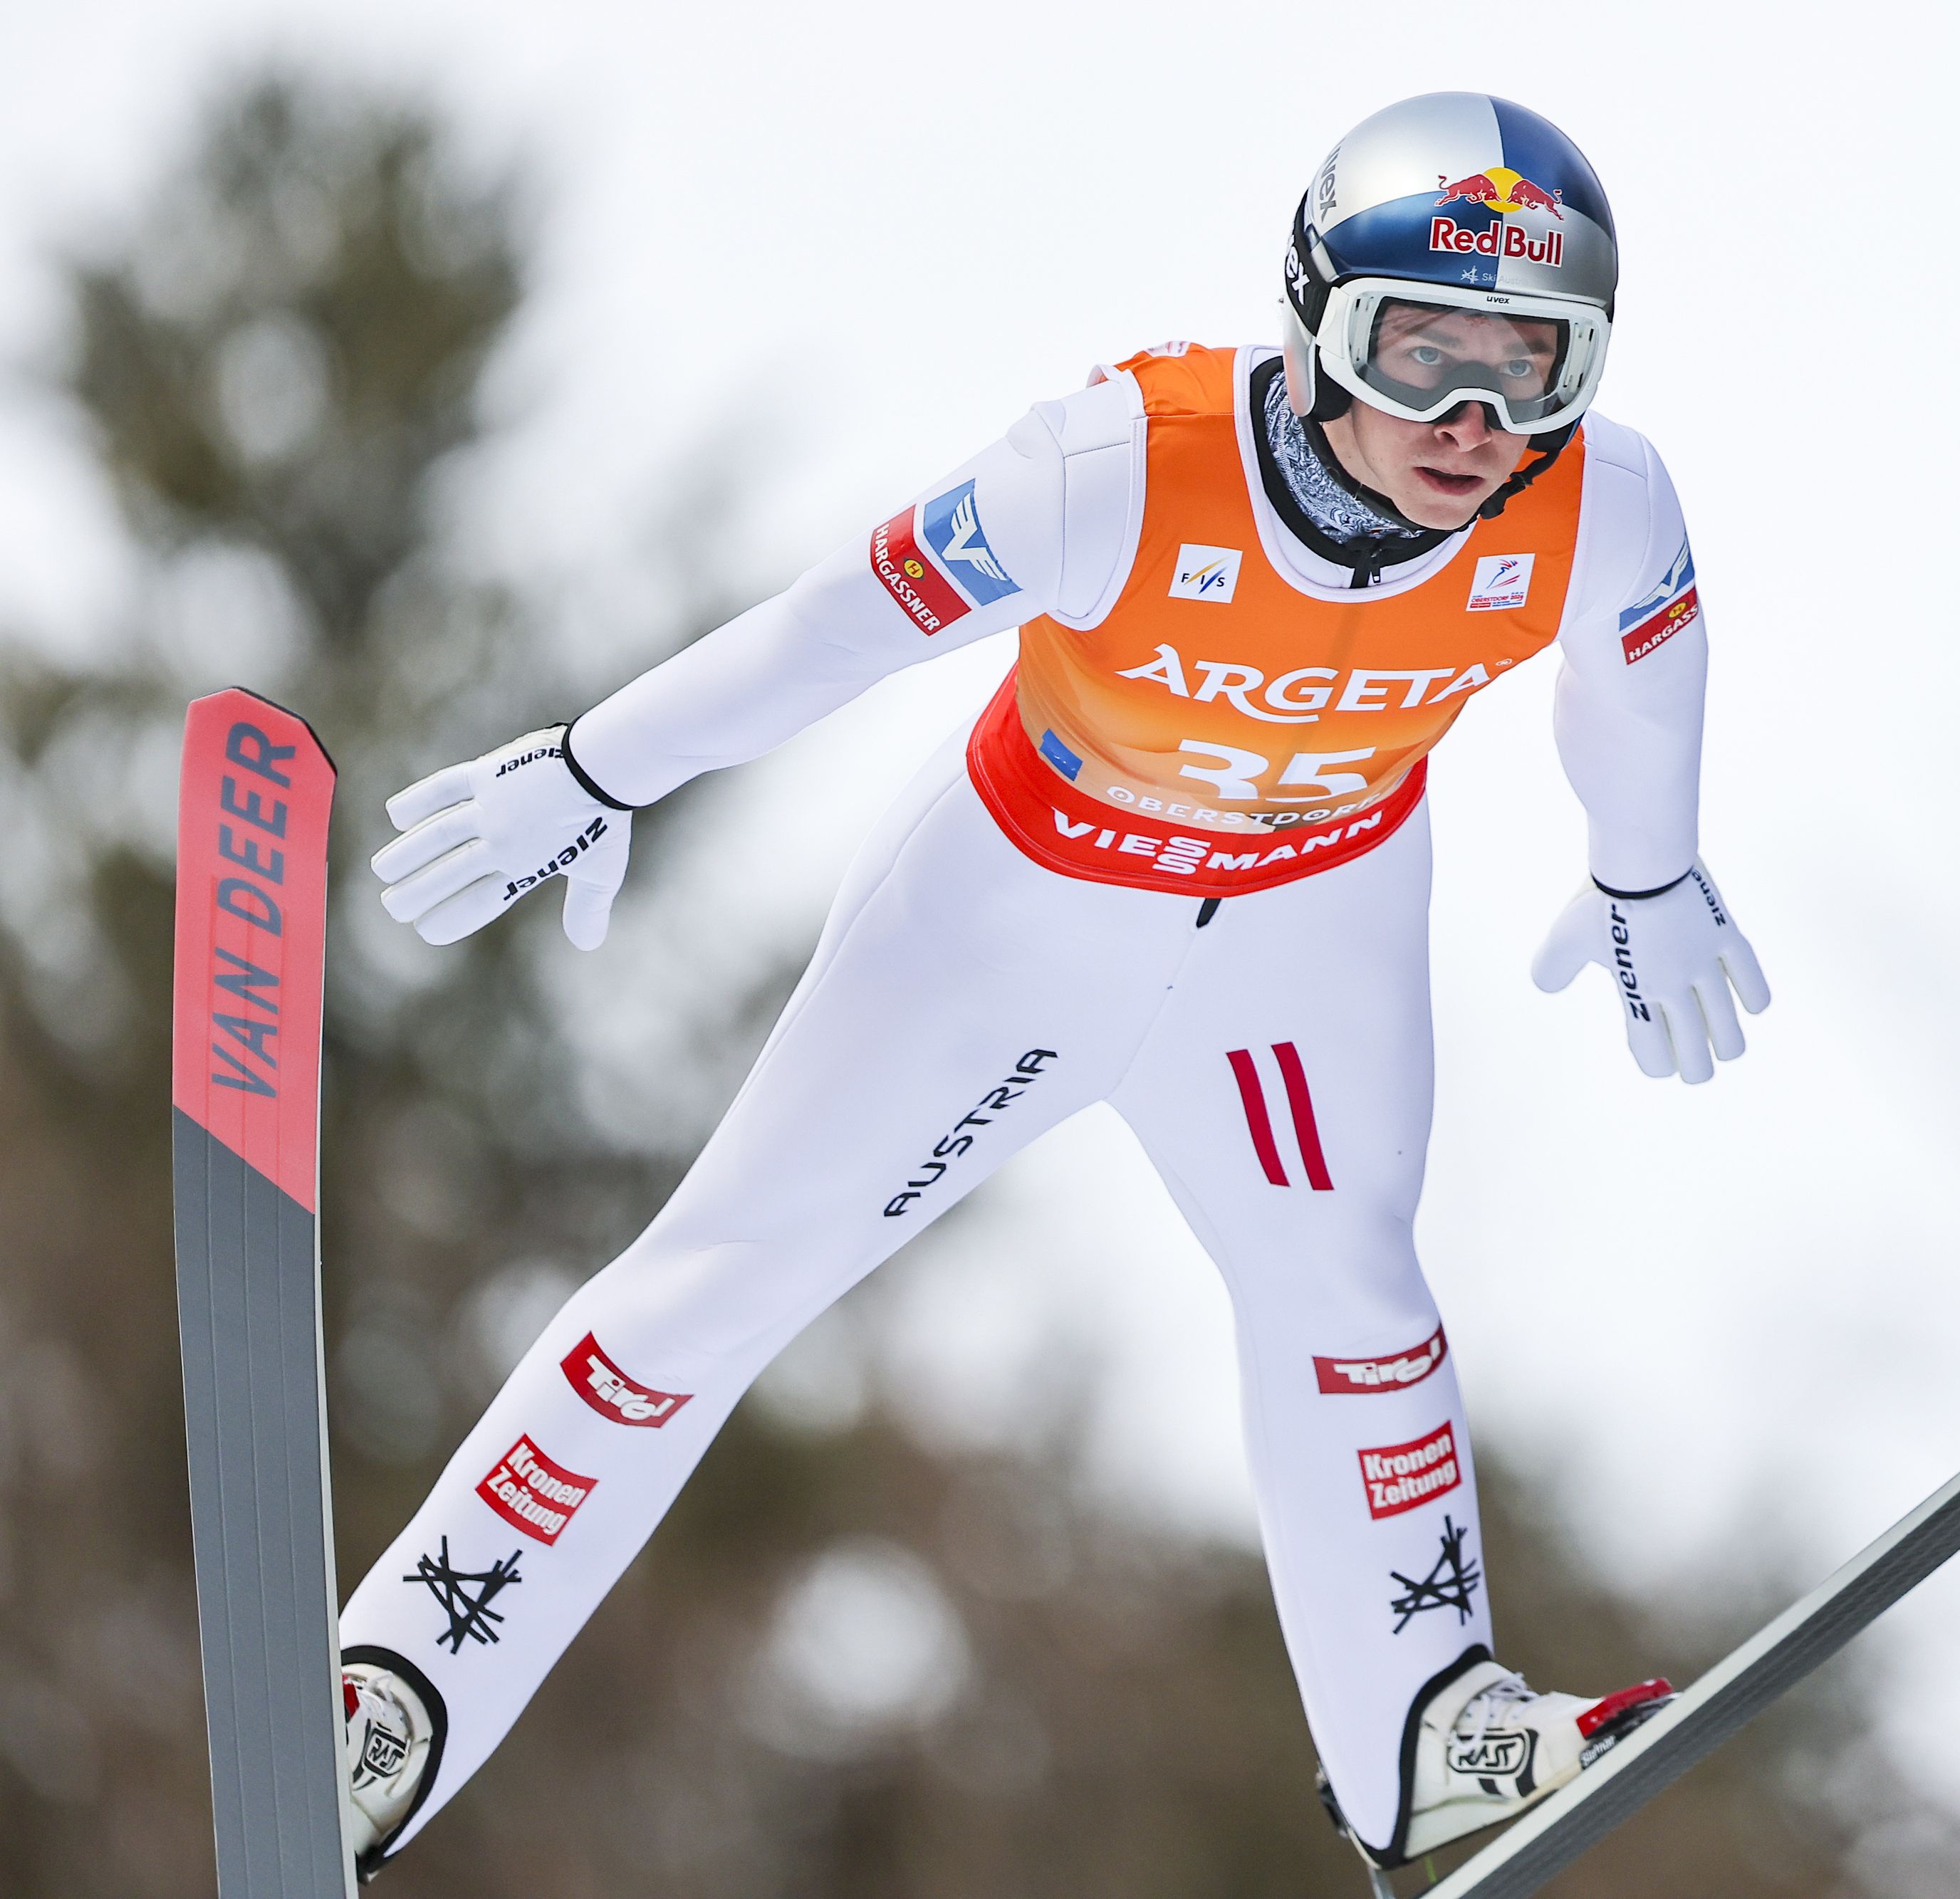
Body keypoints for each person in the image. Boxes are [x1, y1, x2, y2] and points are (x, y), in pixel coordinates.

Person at [331, 90, 1768, 1880]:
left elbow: (1637, 673)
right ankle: (399, 1680)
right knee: (725, 1273)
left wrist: (1647, 867)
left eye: (1530, 364)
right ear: (1316, 318)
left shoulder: (1598, 500)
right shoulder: (1118, 468)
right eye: (1420, 354)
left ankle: (1424, 1730)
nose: (1474, 423)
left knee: (1351, 1292)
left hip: (1299, 931)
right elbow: (831, 626)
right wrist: (596, 765)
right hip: (1016, 919)